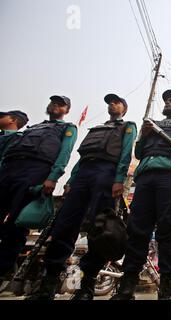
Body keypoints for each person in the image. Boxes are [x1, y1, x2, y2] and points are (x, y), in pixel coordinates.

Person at [28, 93, 137, 300]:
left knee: (100, 227)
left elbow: (125, 153)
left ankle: (87, 285)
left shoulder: (128, 126)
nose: (112, 105)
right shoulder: (96, 128)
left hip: (106, 173)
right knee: (64, 225)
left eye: (116, 102)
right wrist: (70, 180)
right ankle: (48, 284)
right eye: (109, 103)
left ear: (124, 108)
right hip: (84, 174)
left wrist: (119, 178)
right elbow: (81, 159)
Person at [110, 89, 171, 300]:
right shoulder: (153, 125)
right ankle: (127, 286)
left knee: (168, 229)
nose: (168, 102)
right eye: (166, 100)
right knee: (136, 230)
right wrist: (144, 134)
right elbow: (139, 153)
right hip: (144, 178)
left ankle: (166, 289)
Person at [0, 96, 77, 279]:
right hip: (10, 169)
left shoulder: (67, 128)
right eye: (53, 102)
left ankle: (2, 269)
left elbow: (64, 153)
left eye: (60, 104)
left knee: (16, 224)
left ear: (66, 110)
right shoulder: (31, 128)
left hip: (35, 171)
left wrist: (52, 177)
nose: (55, 105)